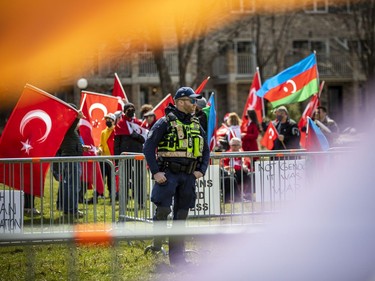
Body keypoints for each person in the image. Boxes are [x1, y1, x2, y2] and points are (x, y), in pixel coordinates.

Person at [143, 86, 210, 266]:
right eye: (191, 100)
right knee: (163, 210)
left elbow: (206, 150)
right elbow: (148, 147)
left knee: (181, 217)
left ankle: (178, 259)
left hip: (188, 177)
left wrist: (201, 170)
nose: (195, 103)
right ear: (180, 102)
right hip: (168, 174)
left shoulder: (196, 123)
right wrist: (156, 171)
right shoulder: (164, 122)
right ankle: (157, 244)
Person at [57, 105, 90, 218]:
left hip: (71, 157)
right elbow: (71, 129)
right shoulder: (67, 124)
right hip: (72, 158)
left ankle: (68, 209)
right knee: (74, 186)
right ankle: (72, 210)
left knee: (70, 186)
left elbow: (71, 140)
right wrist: (77, 117)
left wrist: (81, 147)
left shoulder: (67, 126)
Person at [114, 102, 145, 208]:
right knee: (125, 179)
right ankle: (124, 202)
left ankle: (140, 202)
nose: (130, 111)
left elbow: (144, 138)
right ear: (124, 111)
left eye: (132, 109)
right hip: (125, 156)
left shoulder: (139, 123)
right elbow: (116, 145)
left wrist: (136, 135)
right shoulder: (120, 124)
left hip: (138, 155)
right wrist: (117, 160)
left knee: (139, 179)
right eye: (128, 109)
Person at [88, 112, 118, 203]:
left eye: (109, 119)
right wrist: (100, 149)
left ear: (113, 121)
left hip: (112, 159)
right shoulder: (103, 132)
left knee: (111, 178)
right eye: (106, 119)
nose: (107, 121)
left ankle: (112, 195)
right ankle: (96, 195)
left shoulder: (115, 131)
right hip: (103, 158)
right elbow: (101, 144)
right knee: (100, 178)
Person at [221, 137, 252, 202]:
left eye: (236, 145)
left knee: (249, 176)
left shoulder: (243, 154)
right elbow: (224, 166)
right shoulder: (226, 154)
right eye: (233, 145)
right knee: (232, 178)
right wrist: (238, 167)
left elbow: (247, 164)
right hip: (231, 173)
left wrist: (245, 166)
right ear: (230, 145)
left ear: (240, 145)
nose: (234, 147)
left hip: (242, 173)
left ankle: (247, 195)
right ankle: (238, 197)